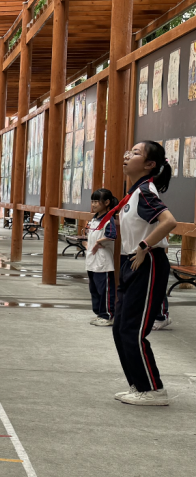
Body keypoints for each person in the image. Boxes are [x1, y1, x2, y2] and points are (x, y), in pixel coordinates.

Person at [106, 141, 176, 406]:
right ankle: (138, 386)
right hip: (132, 263)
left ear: (150, 165)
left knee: (133, 329)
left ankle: (153, 390)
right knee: (121, 328)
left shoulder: (145, 192)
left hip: (147, 262)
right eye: (128, 151)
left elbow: (169, 221)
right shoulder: (133, 194)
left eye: (135, 153)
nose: (127, 155)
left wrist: (144, 247)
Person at [86, 188, 118, 328]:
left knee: (104, 289)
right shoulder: (94, 219)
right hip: (92, 260)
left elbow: (112, 235)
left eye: (96, 202)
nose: (93, 205)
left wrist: (99, 242)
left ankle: (108, 315)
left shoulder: (108, 219)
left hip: (103, 261)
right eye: (92, 201)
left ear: (106, 202)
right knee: (94, 289)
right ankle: (99, 313)